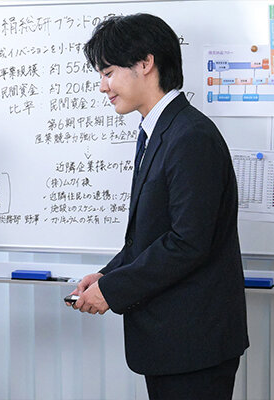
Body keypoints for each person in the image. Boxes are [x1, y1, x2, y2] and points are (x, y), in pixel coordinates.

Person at [68, 14, 248, 400]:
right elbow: (149, 235)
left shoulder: (190, 136)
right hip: (173, 342)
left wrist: (113, 290)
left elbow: (188, 242)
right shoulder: (158, 131)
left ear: (145, 63)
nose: (103, 86)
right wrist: (105, 276)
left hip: (194, 344)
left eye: (109, 73)